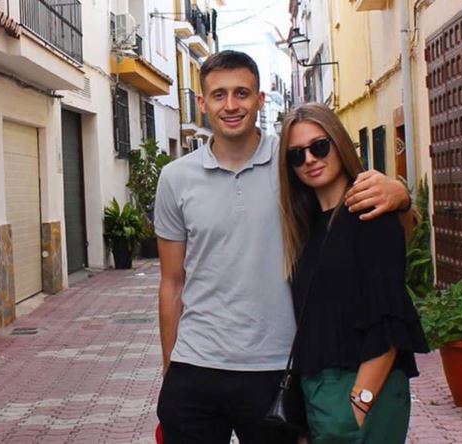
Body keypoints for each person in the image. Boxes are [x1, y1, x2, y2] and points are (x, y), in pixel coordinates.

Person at [154, 50, 411, 444]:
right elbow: (172, 282)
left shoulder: (292, 161)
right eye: (219, 94)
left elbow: (356, 216)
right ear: (202, 102)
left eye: (242, 93)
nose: (231, 105)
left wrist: (400, 194)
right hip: (196, 367)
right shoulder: (175, 179)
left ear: (260, 99)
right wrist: (170, 369)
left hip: (278, 368)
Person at [278, 102, 429, 444]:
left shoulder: (370, 212)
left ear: (339, 143)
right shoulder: (305, 228)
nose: (310, 159)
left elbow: (390, 317)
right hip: (319, 392)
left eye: (319, 147)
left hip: (363, 389)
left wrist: (357, 406)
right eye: (296, 155)